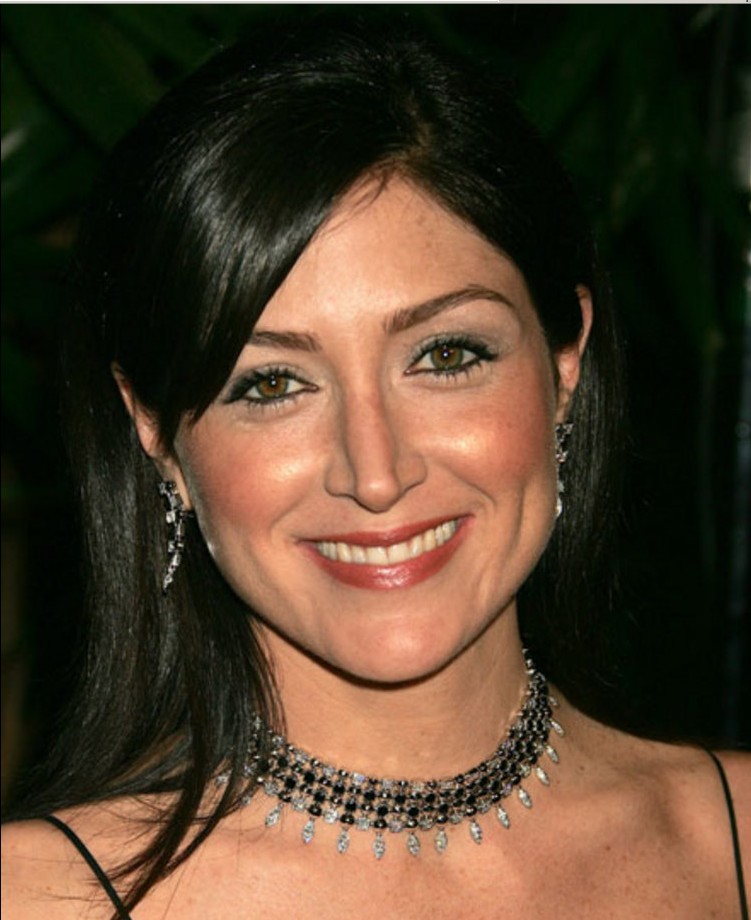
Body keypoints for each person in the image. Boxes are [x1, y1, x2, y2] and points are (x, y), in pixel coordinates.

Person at [2, 17, 748, 920]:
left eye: (445, 356)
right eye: (272, 383)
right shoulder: (37, 899)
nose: (376, 473)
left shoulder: (733, 843)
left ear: (564, 366)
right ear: (157, 436)